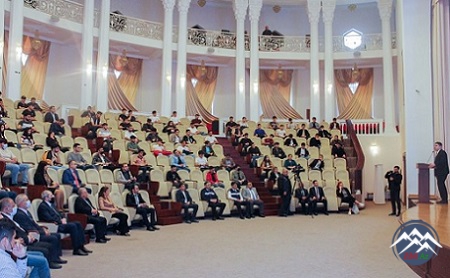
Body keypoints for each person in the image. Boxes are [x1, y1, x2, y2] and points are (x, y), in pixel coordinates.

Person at [13, 194, 67, 265]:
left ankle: (56, 258)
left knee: (56, 235)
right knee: (53, 238)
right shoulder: (19, 214)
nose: (28, 201)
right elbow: (28, 228)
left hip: (37, 232)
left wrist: (43, 229)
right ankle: (52, 260)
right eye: (26, 200)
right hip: (34, 235)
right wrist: (42, 232)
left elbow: (35, 224)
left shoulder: (27, 212)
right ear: (21, 202)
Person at [38, 190, 91, 256]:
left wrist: (63, 218)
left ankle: (81, 246)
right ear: (46, 197)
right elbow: (48, 218)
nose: (53, 197)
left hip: (60, 222)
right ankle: (76, 249)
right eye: (51, 196)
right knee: (73, 226)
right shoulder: (43, 206)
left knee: (78, 223)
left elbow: (59, 213)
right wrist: (60, 221)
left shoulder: (51, 205)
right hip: (55, 225)